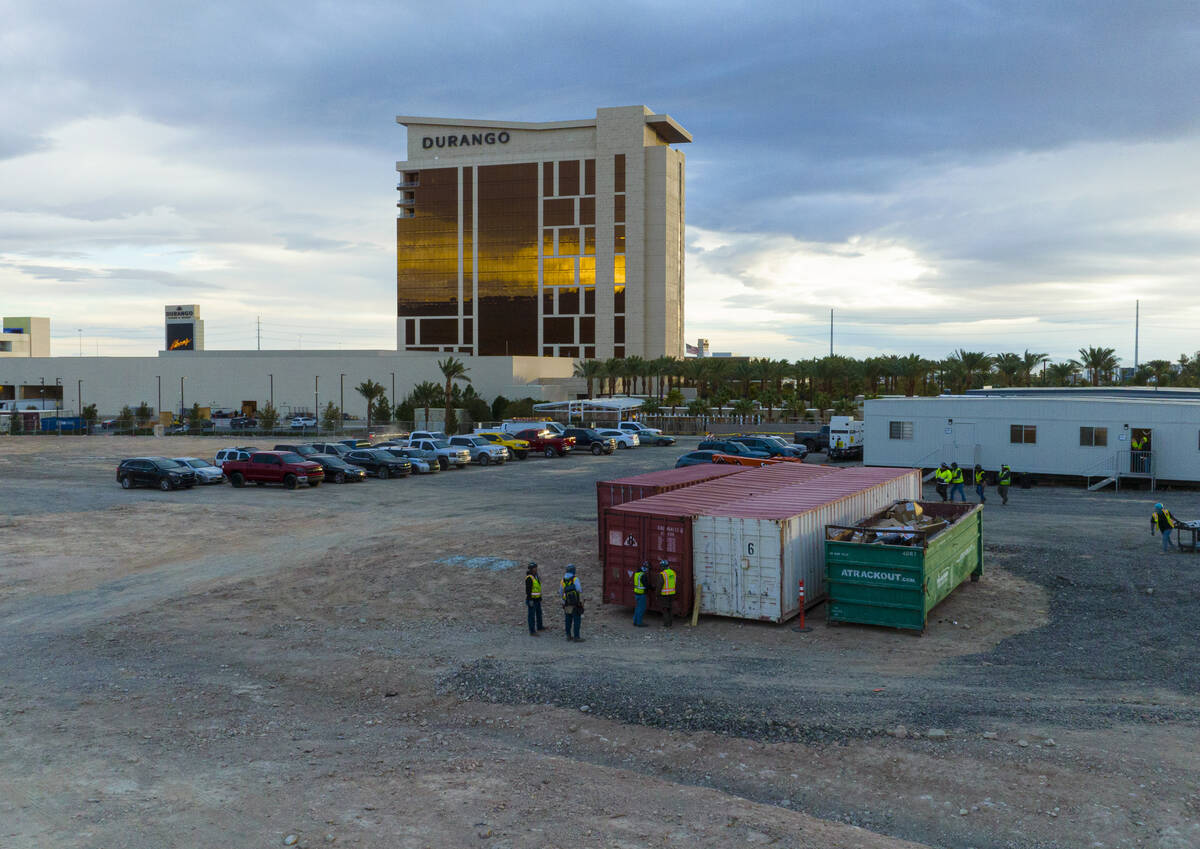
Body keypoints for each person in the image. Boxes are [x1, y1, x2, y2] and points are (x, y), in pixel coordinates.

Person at [561, 565, 584, 641]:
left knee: (568, 620)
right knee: (577, 620)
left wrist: (563, 602)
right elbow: (579, 590)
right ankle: (576, 637)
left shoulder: (563, 580)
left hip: (566, 603)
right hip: (575, 603)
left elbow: (561, 592)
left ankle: (568, 636)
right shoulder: (575, 579)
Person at [524, 562, 545, 636]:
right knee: (531, 616)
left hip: (537, 599)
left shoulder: (536, 576)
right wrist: (530, 600)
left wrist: (539, 597)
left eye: (536, 567)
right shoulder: (529, 578)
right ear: (531, 569)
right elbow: (528, 590)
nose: (536, 569)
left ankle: (540, 627)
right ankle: (532, 631)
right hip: (532, 599)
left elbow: (537, 588)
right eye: (534, 568)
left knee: (539, 613)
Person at [658, 559, 677, 628]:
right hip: (672, 594)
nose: (660, 568)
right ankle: (671, 623)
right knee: (671, 609)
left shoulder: (662, 574)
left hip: (665, 595)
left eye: (661, 566)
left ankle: (666, 624)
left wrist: (657, 594)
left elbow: (659, 585)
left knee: (665, 609)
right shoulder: (673, 573)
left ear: (663, 566)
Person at [632, 561, 650, 627]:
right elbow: (646, 585)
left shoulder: (637, 574)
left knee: (637, 608)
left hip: (636, 593)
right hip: (641, 594)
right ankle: (639, 622)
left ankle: (635, 621)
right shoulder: (643, 575)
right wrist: (652, 588)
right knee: (641, 608)